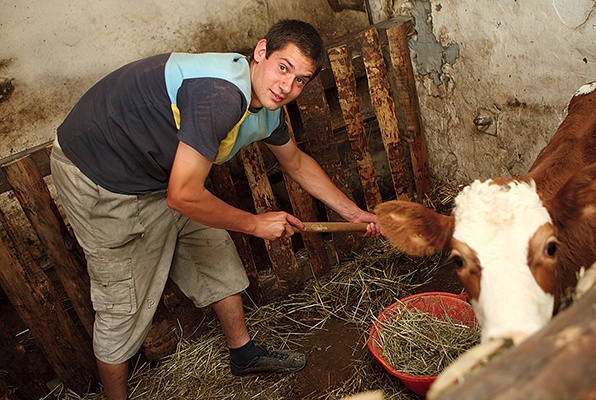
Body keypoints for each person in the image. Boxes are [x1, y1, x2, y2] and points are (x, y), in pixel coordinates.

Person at [50, 19, 380, 400]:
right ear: (260, 52)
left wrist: (353, 213)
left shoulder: (267, 108)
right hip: (103, 176)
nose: (287, 87)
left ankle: (243, 354)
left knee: (213, 249)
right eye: (283, 67)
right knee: (123, 302)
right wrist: (255, 225)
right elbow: (184, 196)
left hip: (164, 174)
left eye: (301, 79)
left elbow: (297, 163)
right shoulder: (221, 96)